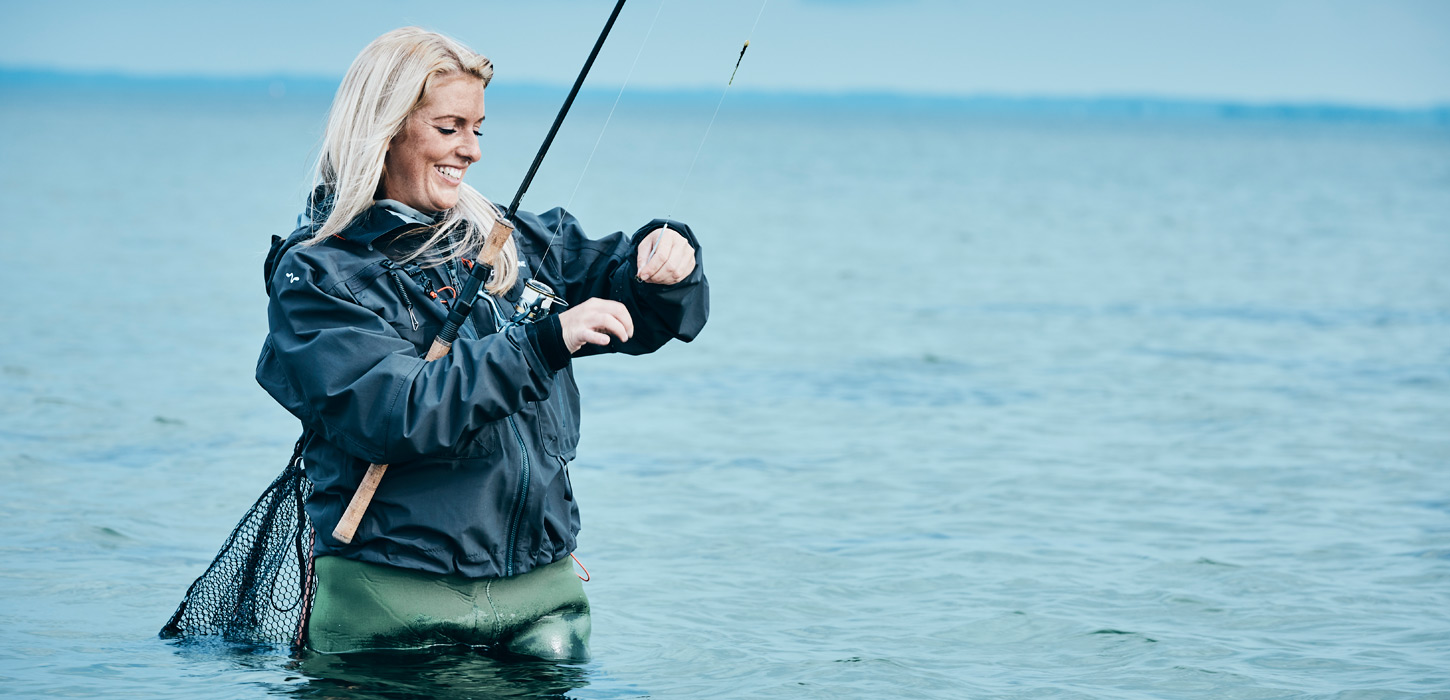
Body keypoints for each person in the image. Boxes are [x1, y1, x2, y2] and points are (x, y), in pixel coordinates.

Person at [256, 27, 708, 659]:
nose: (470, 151)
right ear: (383, 131)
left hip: (543, 593)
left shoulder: (503, 235)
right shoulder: (317, 275)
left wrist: (665, 263)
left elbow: (632, 295)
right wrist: (545, 342)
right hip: (396, 600)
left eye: (478, 129)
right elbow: (396, 412)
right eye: (449, 128)